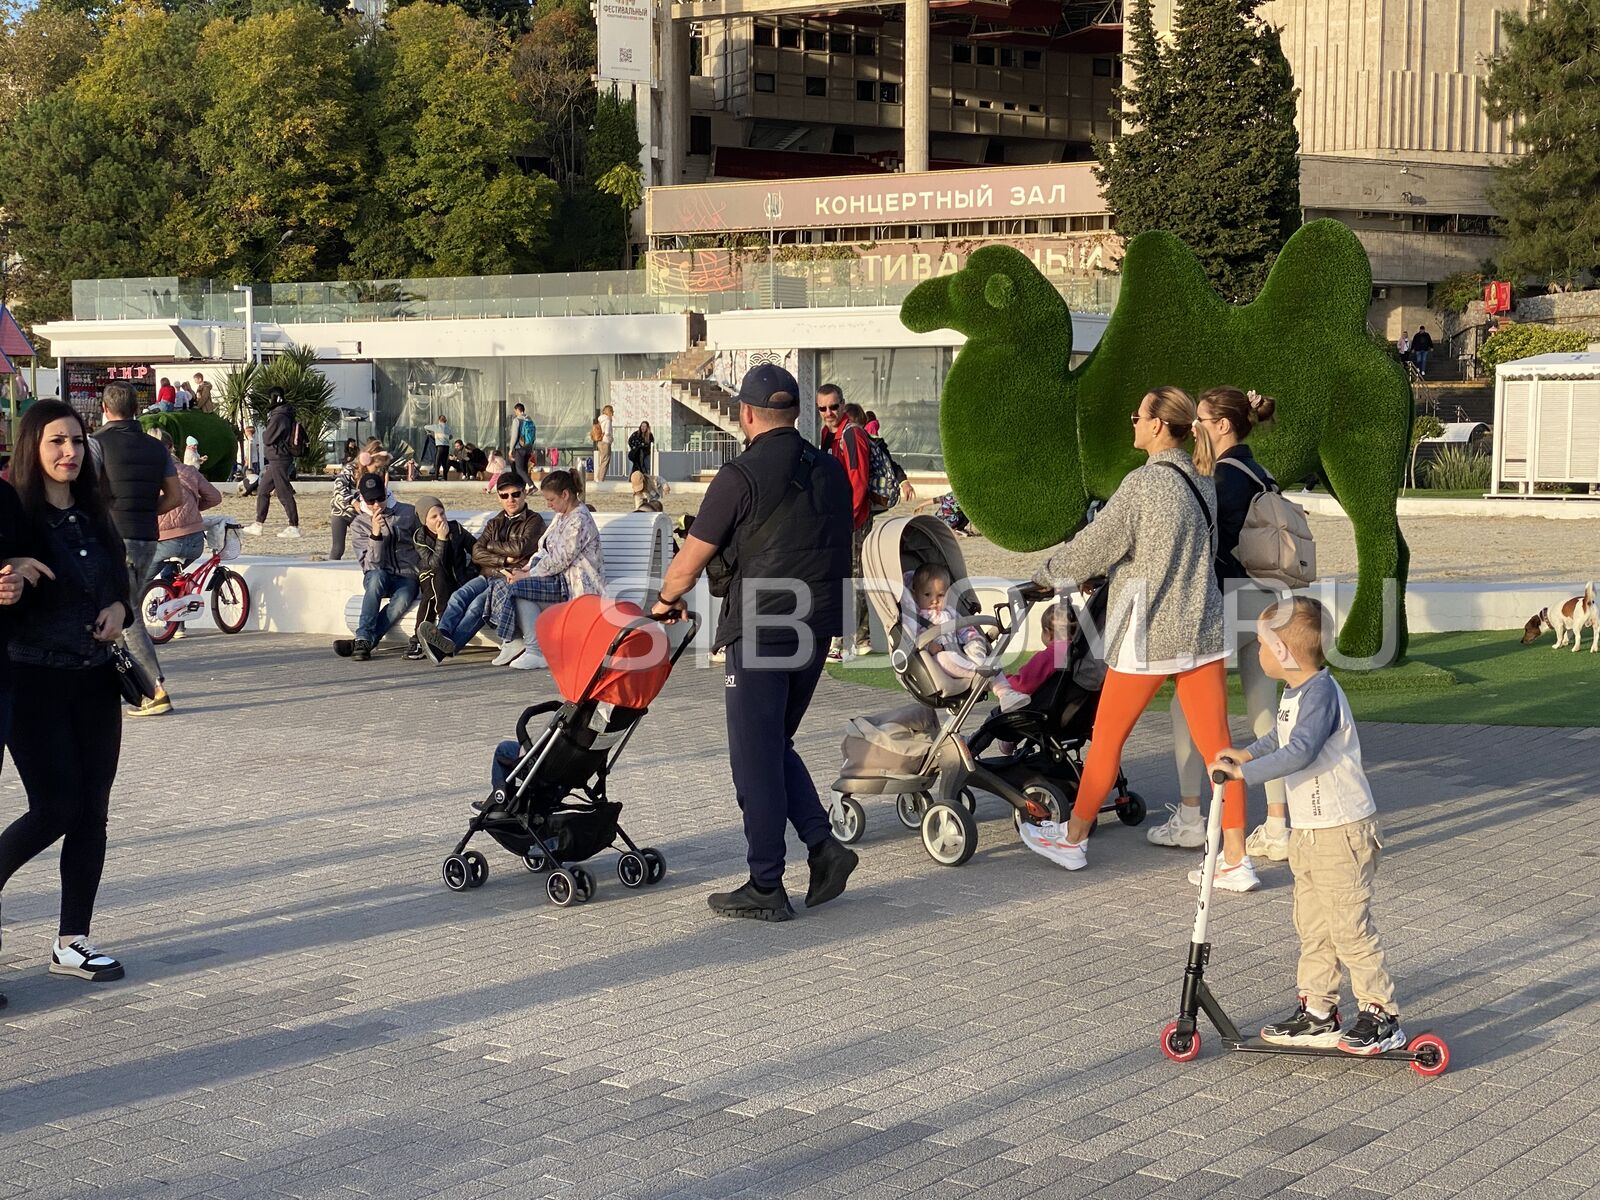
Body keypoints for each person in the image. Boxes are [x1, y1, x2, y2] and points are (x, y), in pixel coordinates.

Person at [1019, 386, 1256, 889]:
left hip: (1149, 632)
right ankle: (1236, 859)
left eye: (1137, 415)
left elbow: (1094, 545)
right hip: (1201, 628)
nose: (1133, 422)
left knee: (1106, 739)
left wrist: (1046, 574)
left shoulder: (1144, 484)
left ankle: (1073, 839)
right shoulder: (1202, 479)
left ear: (1155, 426)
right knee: (1221, 748)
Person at [650, 364, 858, 922]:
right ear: (797, 413)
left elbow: (688, 563)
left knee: (753, 759)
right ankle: (823, 847)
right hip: (818, 627)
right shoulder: (832, 469)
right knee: (773, 747)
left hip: (764, 627)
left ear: (745, 414)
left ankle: (767, 883)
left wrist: (664, 604)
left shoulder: (739, 475)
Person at [1209, 597, 1405, 1055]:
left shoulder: (1321, 693)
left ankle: (1382, 1014)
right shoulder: (1297, 692)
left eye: (1261, 644)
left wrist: (1244, 775)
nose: (1256, 652)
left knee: (1349, 928)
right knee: (1314, 925)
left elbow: (1300, 751)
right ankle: (1318, 1012)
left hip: (1343, 831)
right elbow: (1282, 735)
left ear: (1281, 651)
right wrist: (1248, 753)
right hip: (1311, 832)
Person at [0, 400, 133, 984]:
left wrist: (119, 608)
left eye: (77, 442)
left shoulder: (94, 512)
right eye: (56, 442)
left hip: (96, 681)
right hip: (33, 681)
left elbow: (122, 580)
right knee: (58, 805)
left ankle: (72, 941)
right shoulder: (16, 518)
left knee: (92, 813)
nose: (69, 453)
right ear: (32, 446)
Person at [1154, 387, 1293, 864]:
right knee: (1263, 709)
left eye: (1202, 420)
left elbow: (1197, 539)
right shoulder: (1260, 472)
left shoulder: (1224, 478)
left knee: (1187, 705)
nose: (1195, 427)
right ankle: (1277, 824)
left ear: (1222, 426)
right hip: (1270, 596)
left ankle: (1192, 816)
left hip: (1231, 594)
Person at [94, 382, 183, 718]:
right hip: (148, 536)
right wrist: (145, 511)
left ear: (105, 408)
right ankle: (124, 683)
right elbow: (175, 497)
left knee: (125, 612)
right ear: (135, 410)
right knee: (116, 606)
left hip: (112, 537)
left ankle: (154, 688)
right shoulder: (157, 448)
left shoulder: (96, 444)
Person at [417, 473, 544, 662]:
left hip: (508, 578)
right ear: (498, 497)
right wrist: (503, 559)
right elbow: (477, 552)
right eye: (504, 495)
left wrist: (491, 547)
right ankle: (441, 636)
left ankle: (445, 650)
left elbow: (520, 549)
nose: (511, 500)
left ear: (524, 493)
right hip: (487, 574)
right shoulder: (495, 522)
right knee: (458, 597)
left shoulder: (534, 521)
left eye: (515, 494)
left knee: (477, 606)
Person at [491, 470, 604, 670]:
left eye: (551, 499)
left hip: (576, 589)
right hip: (557, 581)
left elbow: (560, 559)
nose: (548, 504)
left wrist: (527, 575)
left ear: (565, 495)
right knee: (514, 587)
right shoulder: (561, 516)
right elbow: (543, 548)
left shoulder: (579, 520)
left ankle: (534, 649)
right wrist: (525, 568)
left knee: (520, 588)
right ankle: (527, 645)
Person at [816, 383, 873, 661]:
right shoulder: (829, 434)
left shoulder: (852, 435)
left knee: (850, 578)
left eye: (833, 407)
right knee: (847, 577)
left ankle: (850, 640)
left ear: (843, 404)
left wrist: (847, 521)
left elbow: (858, 482)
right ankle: (857, 638)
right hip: (839, 519)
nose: (829, 412)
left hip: (852, 520)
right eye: (823, 408)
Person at [335, 473, 419, 661]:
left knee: (403, 599)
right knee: (376, 578)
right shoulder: (359, 524)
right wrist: (375, 534)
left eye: (380, 498)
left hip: (407, 575)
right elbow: (371, 564)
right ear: (362, 498)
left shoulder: (407, 513)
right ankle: (364, 637)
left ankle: (364, 641)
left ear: (386, 493)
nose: (376, 505)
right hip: (377, 574)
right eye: (371, 500)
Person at [406, 495, 477, 661]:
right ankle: (442, 630)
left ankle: (419, 639)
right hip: (430, 576)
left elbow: (476, 549)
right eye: (434, 516)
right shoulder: (420, 537)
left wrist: (471, 572)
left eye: (442, 513)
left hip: (457, 579)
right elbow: (434, 565)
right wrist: (442, 539)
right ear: (424, 520)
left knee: (432, 594)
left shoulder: (456, 529)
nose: (440, 519)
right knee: (435, 583)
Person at [152, 429, 222, 567]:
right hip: (195, 539)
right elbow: (215, 497)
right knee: (172, 580)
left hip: (165, 539)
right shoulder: (189, 470)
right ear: (171, 447)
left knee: (140, 581)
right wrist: (193, 507)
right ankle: (175, 588)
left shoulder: (146, 473)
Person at [243, 387, 301, 539]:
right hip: (278, 457)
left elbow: (268, 438)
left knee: (283, 491)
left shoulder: (279, 416)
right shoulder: (286, 413)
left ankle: (293, 526)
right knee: (263, 490)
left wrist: (265, 431)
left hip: (279, 457)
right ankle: (258, 524)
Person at [509, 403, 536, 482]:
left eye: (515, 411)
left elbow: (514, 436)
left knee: (519, 468)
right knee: (524, 468)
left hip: (520, 447)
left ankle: (530, 485)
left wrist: (511, 449)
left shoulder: (517, 420)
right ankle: (523, 487)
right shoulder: (529, 419)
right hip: (529, 446)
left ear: (518, 410)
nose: (515, 413)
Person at [426, 414, 451, 480]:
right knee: (444, 463)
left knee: (437, 463)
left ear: (439, 420)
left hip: (440, 447)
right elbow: (451, 437)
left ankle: (436, 478)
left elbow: (425, 427)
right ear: (445, 421)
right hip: (447, 447)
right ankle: (445, 478)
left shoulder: (436, 426)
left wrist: (428, 433)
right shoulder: (448, 428)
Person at [593, 404, 614, 483]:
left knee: (602, 460)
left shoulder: (600, 419)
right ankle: (600, 479)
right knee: (605, 461)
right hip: (606, 441)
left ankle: (598, 478)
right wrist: (611, 438)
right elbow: (607, 432)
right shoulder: (608, 420)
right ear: (610, 412)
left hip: (599, 441)